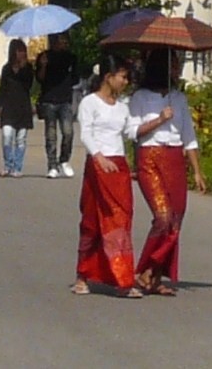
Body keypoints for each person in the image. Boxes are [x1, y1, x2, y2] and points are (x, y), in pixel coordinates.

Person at [129, 48, 206, 297]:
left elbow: (189, 137)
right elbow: (133, 132)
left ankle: (156, 275)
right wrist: (160, 119)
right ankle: (144, 270)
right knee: (162, 217)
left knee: (176, 220)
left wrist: (197, 171)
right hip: (150, 156)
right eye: (173, 65)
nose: (177, 70)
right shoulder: (140, 97)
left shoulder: (179, 98)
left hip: (174, 158)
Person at [72, 55, 144, 299]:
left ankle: (123, 277)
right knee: (93, 221)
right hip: (98, 166)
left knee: (121, 220)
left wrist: (159, 120)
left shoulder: (123, 106)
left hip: (119, 166)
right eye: (122, 76)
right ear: (108, 77)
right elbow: (87, 134)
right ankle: (83, 275)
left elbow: (131, 131)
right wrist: (99, 157)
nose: (125, 81)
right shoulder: (89, 103)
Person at [35, 33, 79, 179]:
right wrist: (43, 65)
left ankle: (64, 160)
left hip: (65, 100)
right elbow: (40, 79)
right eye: (61, 41)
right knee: (51, 135)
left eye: (66, 41)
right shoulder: (44, 56)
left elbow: (75, 78)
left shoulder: (71, 57)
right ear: (54, 42)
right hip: (48, 100)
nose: (64, 43)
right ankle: (52, 165)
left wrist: (67, 81)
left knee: (68, 132)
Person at [0, 39, 34, 178]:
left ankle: (17, 167)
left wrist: (23, 68)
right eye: (19, 50)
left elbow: (29, 86)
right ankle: (8, 166)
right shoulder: (6, 69)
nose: (21, 53)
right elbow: (2, 89)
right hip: (9, 108)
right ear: (13, 52)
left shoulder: (28, 69)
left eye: (23, 51)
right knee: (7, 136)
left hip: (23, 108)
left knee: (21, 139)